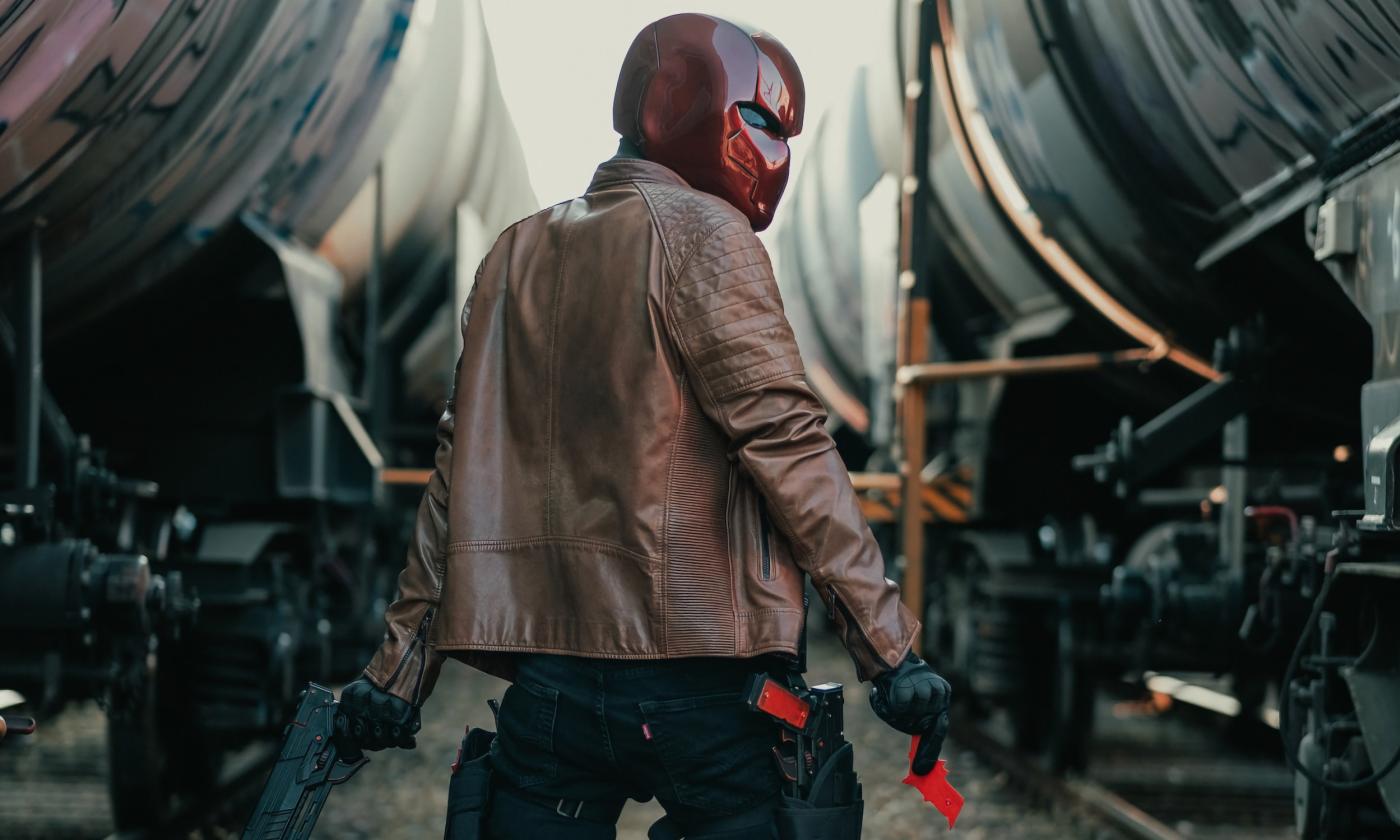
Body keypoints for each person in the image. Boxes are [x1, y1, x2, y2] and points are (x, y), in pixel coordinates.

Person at [339, 12, 951, 839]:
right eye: (762, 120)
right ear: (690, 106)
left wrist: (397, 676)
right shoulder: (707, 237)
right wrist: (891, 654)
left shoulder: (514, 254)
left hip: (549, 689)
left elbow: (458, 486)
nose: (774, 150)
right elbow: (790, 447)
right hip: (698, 687)